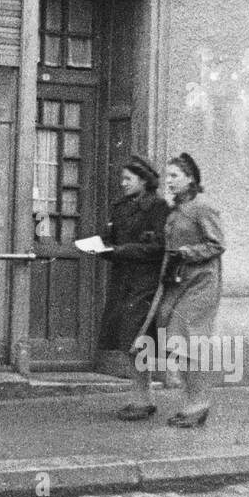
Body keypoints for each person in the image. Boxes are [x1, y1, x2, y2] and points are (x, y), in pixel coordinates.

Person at [117, 152, 225, 427]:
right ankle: (191, 402)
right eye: (168, 176)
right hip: (177, 281)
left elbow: (217, 244)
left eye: (175, 176)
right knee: (171, 336)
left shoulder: (203, 207)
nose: (169, 181)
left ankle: (197, 404)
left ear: (191, 179)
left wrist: (187, 252)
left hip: (201, 283)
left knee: (186, 339)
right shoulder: (175, 210)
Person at [96, 156, 169, 380]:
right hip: (122, 281)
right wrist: (100, 247)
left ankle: (143, 400)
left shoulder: (158, 207)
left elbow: (158, 248)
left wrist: (119, 251)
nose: (123, 183)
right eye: (122, 178)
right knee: (126, 341)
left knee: (137, 340)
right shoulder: (120, 207)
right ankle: (141, 399)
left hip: (145, 283)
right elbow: (111, 239)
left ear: (144, 181)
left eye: (128, 179)